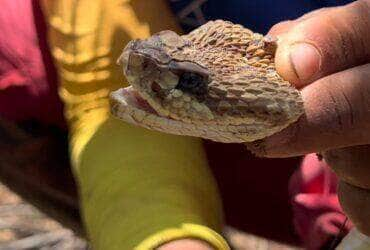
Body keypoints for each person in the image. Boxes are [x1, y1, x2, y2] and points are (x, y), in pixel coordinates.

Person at [1, 0, 369, 249]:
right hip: (252, 145)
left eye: (187, 79)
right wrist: (162, 236)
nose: (135, 59)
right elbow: (99, 82)